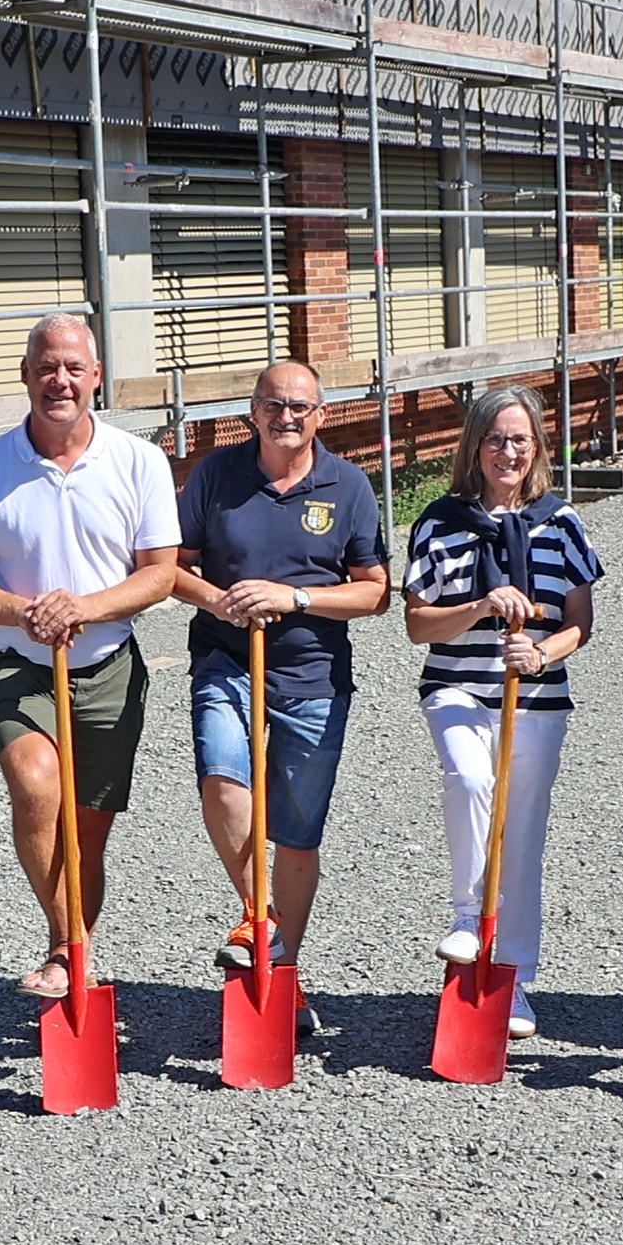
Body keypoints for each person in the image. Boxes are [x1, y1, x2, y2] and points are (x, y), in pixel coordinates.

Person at [0, 314, 183, 1001]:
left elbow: (160, 572)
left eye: (74, 367)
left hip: (108, 665)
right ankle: (64, 945)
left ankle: (74, 953)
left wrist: (84, 607)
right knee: (35, 784)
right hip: (18, 663)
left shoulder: (138, 461)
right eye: (46, 366)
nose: (60, 380)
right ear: (25, 375)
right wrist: (27, 613)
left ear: (96, 376)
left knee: (88, 833)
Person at [170, 361, 391, 1034]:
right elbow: (169, 567)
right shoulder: (215, 474)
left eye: (299, 406)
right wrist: (221, 602)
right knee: (221, 777)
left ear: (321, 414)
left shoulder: (347, 485)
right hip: (226, 658)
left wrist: (294, 597)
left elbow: (375, 591)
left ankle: (283, 972)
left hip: (311, 676)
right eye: (272, 404)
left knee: (296, 834)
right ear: (252, 411)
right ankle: (258, 917)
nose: (285, 416)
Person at [401, 386, 601, 1044]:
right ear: (474, 446)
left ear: (537, 446)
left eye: (519, 439)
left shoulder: (561, 522)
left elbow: (581, 622)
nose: (507, 452)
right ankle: (467, 917)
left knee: (519, 843)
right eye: (495, 439)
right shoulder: (439, 521)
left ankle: (512, 976)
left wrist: (541, 652)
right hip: (456, 689)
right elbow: (418, 624)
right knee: (469, 779)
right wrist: (481, 607)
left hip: (536, 699)